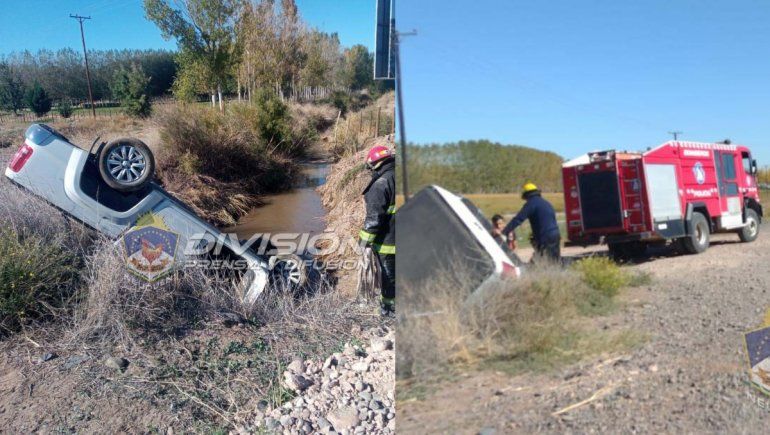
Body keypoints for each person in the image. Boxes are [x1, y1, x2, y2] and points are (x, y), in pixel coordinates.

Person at [360, 145, 396, 315]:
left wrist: (363, 243)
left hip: (389, 243)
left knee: (389, 278)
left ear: (374, 164)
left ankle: (388, 310)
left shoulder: (381, 184)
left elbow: (373, 220)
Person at [495, 182, 561, 263]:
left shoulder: (531, 204)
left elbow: (518, 219)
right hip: (555, 235)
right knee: (555, 261)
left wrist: (504, 232)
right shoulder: (546, 203)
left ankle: (546, 274)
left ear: (527, 194)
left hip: (545, 237)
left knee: (544, 261)